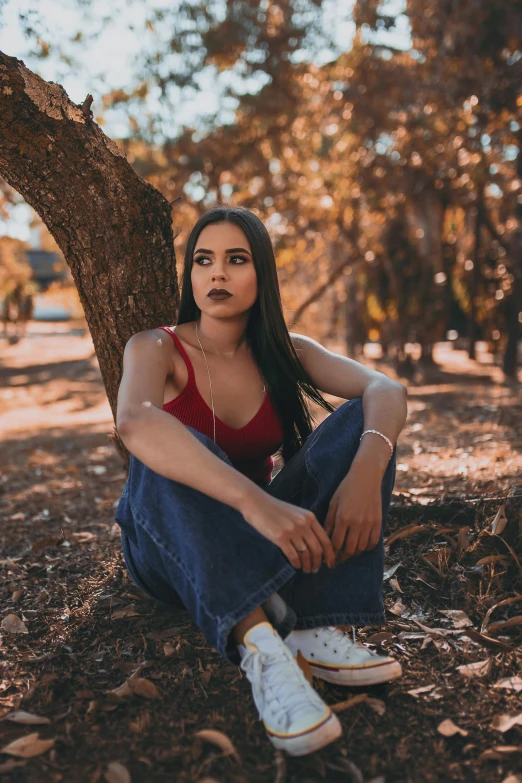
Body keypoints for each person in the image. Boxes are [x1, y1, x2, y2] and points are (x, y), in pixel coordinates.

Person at [114, 205, 408, 757]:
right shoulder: (153, 347)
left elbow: (386, 389)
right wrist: (255, 503)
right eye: (203, 261)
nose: (216, 274)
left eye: (235, 260)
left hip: (261, 535)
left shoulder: (285, 352)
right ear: (191, 276)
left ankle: (310, 627)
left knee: (358, 423)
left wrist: (366, 472)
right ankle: (262, 650)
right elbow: (132, 421)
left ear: (262, 274)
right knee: (164, 444)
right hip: (166, 543)